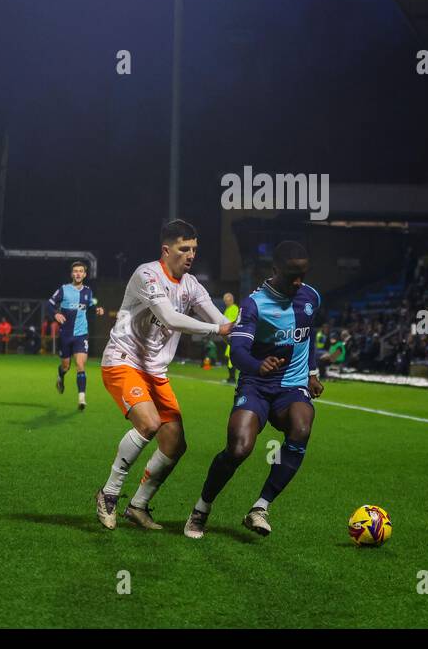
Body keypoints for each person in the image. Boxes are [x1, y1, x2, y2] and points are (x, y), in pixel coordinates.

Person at [94, 220, 233, 530]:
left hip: (155, 372)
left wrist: (241, 333)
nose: (190, 255)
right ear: (166, 250)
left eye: (194, 249)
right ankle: (108, 494)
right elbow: (171, 317)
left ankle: (138, 506)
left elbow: (219, 319)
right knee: (149, 423)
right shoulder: (147, 275)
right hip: (123, 361)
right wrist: (217, 330)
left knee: (174, 444)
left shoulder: (192, 285)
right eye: (184, 249)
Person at [184, 241, 321, 539]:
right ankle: (202, 507)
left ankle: (260, 507)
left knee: (301, 426)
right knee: (239, 448)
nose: (298, 282)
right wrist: (258, 366)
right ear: (275, 271)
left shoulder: (310, 297)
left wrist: (312, 372)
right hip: (257, 385)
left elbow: (308, 336)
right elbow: (238, 349)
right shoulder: (254, 304)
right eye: (291, 275)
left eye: (303, 275)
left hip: (291, 387)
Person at [46, 260, 104, 410]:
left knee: (80, 365)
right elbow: (49, 304)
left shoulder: (88, 291)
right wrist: (56, 314)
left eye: (81, 271)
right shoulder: (64, 289)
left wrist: (97, 309)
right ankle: (61, 376)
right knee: (66, 366)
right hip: (65, 335)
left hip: (81, 335)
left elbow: (90, 306)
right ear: (72, 274)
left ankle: (81, 398)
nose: (78, 273)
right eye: (75, 271)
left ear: (84, 274)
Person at [222, 292, 240, 383]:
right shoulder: (228, 309)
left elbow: (235, 322)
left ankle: (232, 378)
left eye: (227, 300)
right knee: (229, 357)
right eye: (225, 301)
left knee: (231, 358)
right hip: (228, 337)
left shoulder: (234, 309)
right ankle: (231, 377)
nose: (226, 302)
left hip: (233, 337)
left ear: (231, 300)